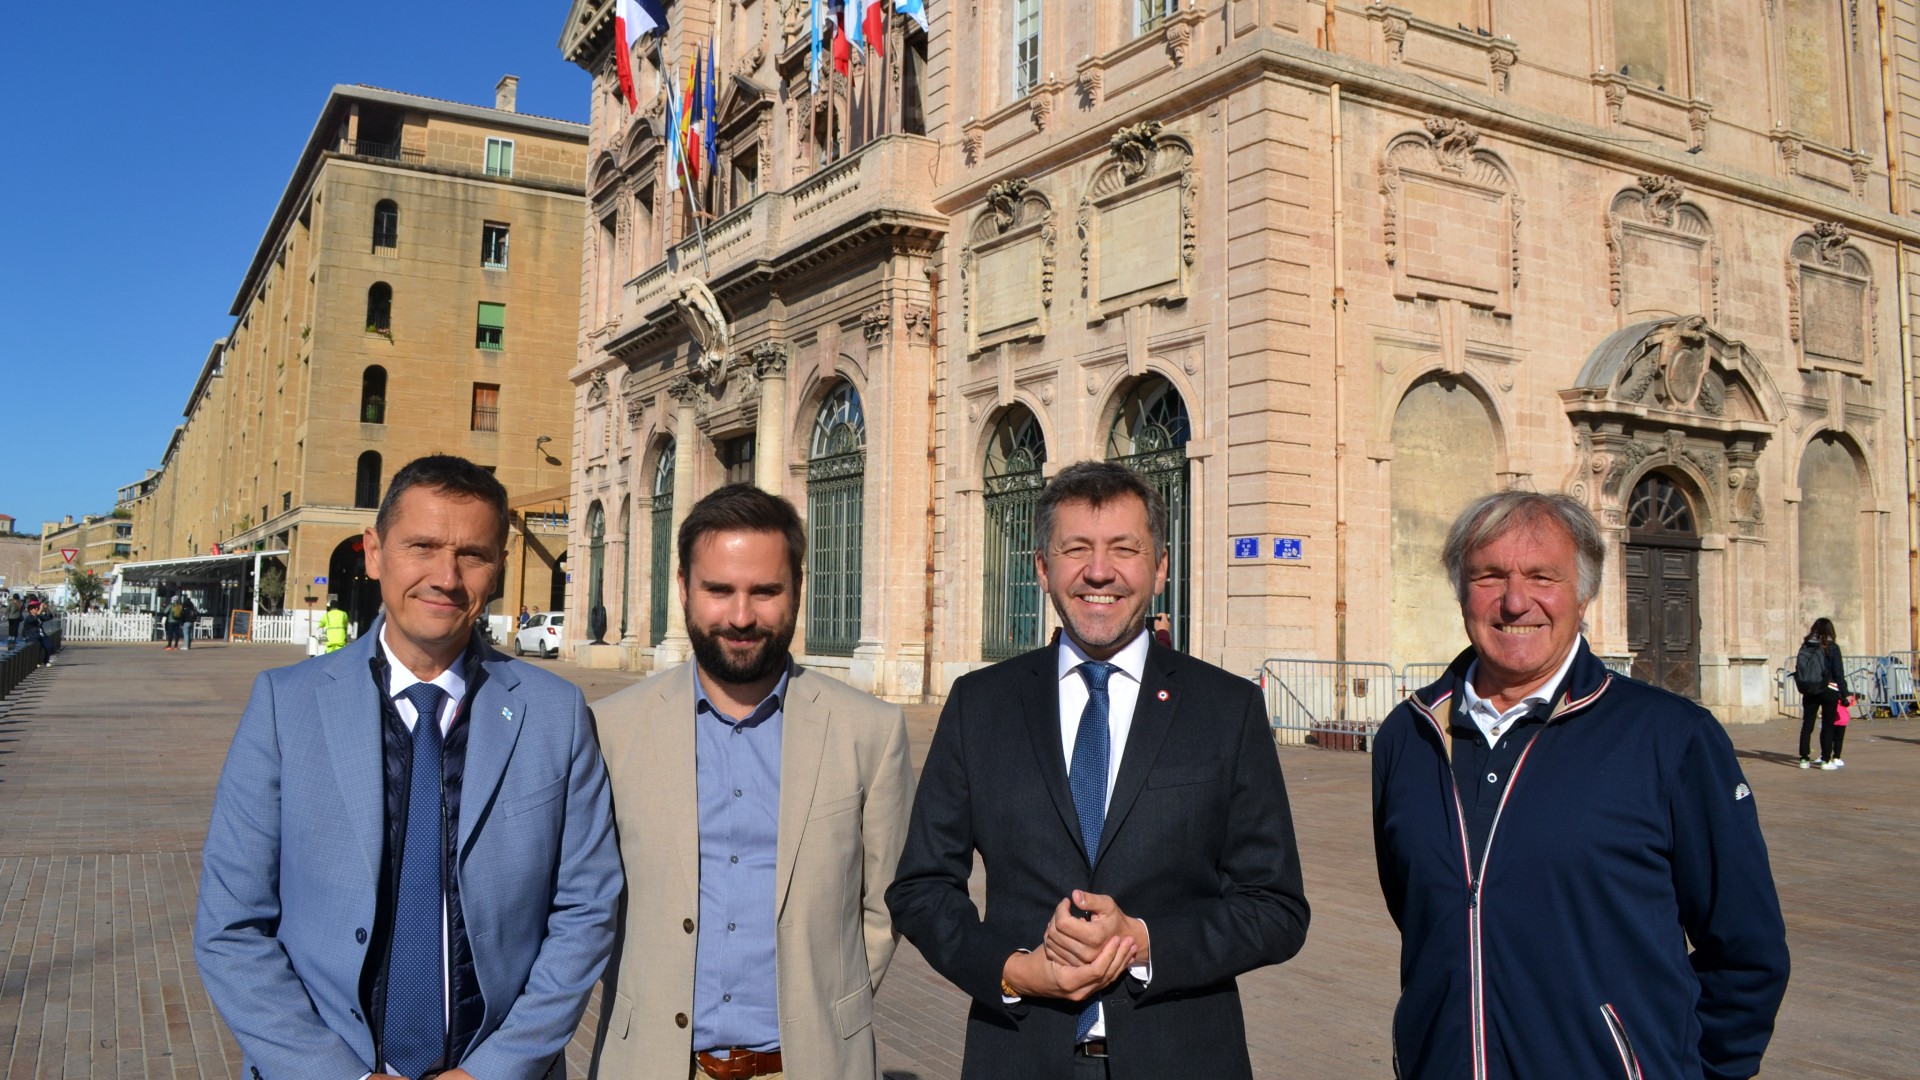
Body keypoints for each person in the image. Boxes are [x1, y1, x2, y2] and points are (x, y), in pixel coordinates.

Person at [195, 454, 623, 1080]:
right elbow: (231, 927)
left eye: (472, 554)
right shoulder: (285, 708)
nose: (445, 576)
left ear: (499, 566)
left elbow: (587, 907)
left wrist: (498, 1069)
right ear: (374, 553)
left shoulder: (554, 713)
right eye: (421, 546)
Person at [887, 460, 1310, 1079]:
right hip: (1019, 1052)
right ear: (1042, 568)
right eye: (1075, 549)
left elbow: (1276, 907)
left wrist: (1143, 941)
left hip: (1183, 1057)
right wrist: (1011, 967)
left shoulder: (1226, 709)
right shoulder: (981, 704)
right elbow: (921, 888)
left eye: (1124, 549)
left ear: (1161, 567)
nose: (1099, 571)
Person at [1372, 490, 1790, 1080]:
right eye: (1489, 576)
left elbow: (1747, 951)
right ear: (1461, 591)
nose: (1516, 601)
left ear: (1585, 593)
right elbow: (1422, 909)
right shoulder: (1407, 737)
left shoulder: (1670, 738)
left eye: (1543, 576)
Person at [590, 484, 915, 1080]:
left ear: (796, 590)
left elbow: (886, 903)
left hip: (808, 1065)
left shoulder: (868, 731)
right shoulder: (610, 731)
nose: (741, 617)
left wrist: (826, 1005)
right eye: (719, 590)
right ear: (684, 588)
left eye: (765, 591)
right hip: (653, 1064)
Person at [1795, 617, 1851, 770]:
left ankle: (1804, 759)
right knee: (1828, 724)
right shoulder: (1832, 647)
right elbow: (1838, 672)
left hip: (1810, 688)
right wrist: (1845, 692)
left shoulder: (1806, 645)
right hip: (1829, 689)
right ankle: (1826, 760)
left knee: (1807, 723)